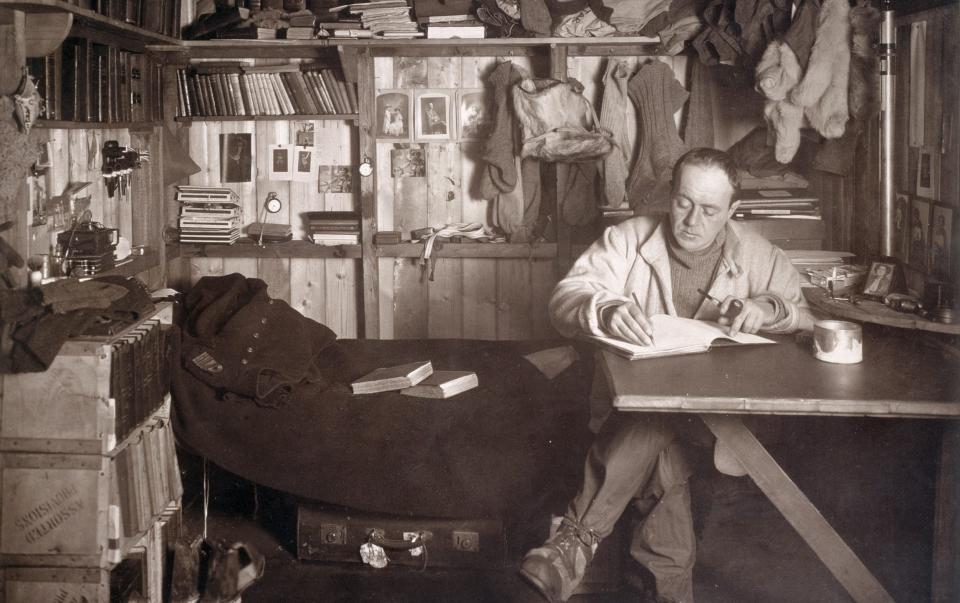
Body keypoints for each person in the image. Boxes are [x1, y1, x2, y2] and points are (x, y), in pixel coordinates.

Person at [519, 148, 813, 603]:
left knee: (654, 428)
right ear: (670, 195)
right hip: (646, 421)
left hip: (722, 430)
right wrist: (605, 307)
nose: (693, 220)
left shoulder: (760, 254)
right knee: (662, 451)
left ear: (733, 211)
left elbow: (802, 316)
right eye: (683, 202)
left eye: (710, 210)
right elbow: (566, 298)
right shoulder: (627, 239)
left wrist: (767, 308)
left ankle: (573, 544)